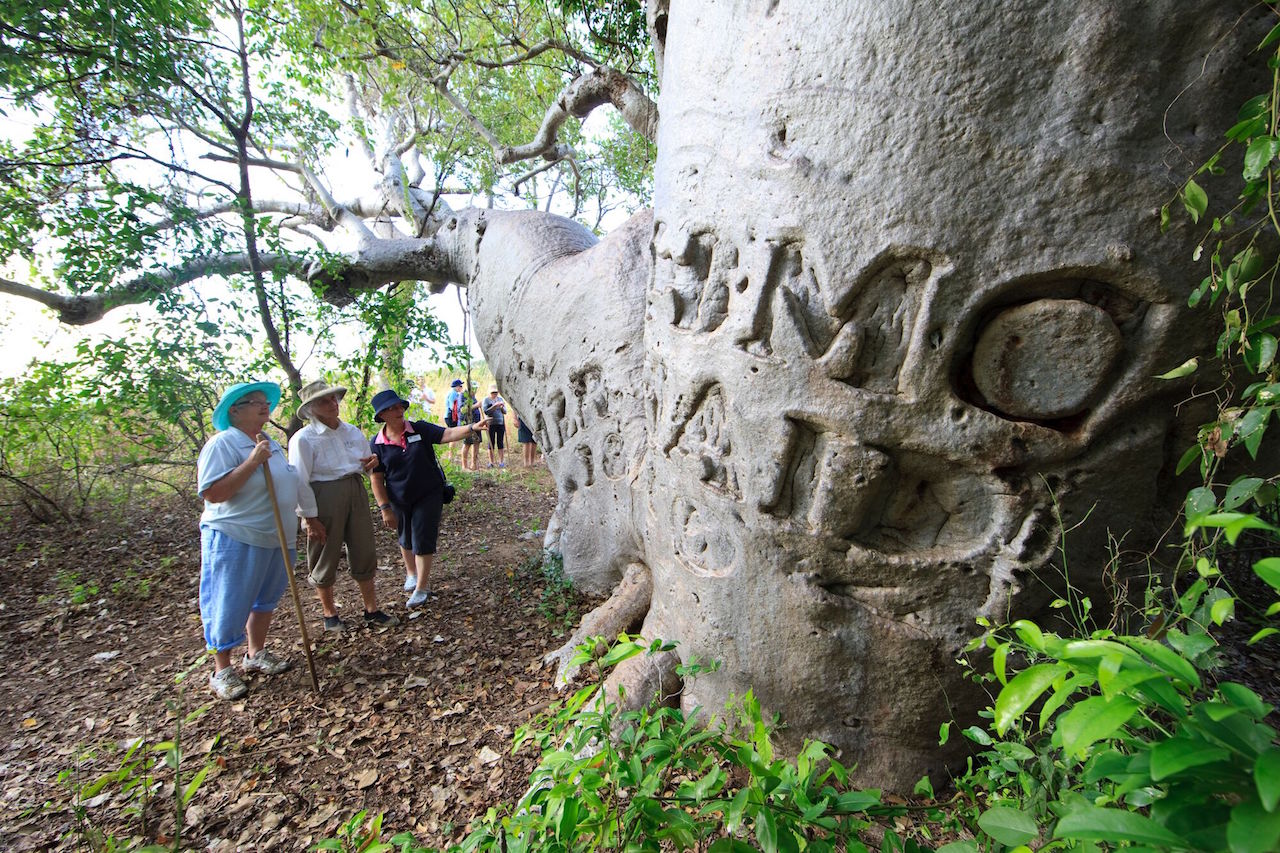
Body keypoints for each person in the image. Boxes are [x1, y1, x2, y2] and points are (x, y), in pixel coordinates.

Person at [197, 382, 297, 701]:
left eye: (266, 401)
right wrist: (253, 461)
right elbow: (214, 493)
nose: (264, 405)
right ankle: (222, 669)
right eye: (255, 401)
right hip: (235, 535)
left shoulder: (270, 441)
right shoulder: (223, 444)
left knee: (265, 599)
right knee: (229, 600)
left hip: (276, 534)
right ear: (234, 411)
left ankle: (256, 653)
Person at [288, 380, 400, 632]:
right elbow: (299, 479)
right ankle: (330, 614)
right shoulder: (304, 439)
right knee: (324, 552)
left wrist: (370, 463)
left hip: (354, 489)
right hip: (323, 494)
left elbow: (363, 463)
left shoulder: (351, 431)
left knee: (363, 547)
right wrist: (309, 517)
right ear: (311, 408)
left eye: (333, 399)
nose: (332, 404)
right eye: (324, 401)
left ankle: (371, 609)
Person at [368, 389, 489, 608]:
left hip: (428, 493)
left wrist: (472, 427)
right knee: (405, 536)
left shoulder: (419, 428)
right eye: (392, 408)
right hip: (399, 497)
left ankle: (421, 588)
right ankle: (411, 574)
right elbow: (376, 479)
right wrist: (385, 508)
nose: (399, 410)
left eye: (400, 406)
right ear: (382, 415)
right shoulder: (376, 443)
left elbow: (447, 434)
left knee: (422, 536)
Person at [481, 386, 507, 468]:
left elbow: (505, 412)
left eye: (496, 392)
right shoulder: (486, 400)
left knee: (500, 442)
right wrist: (494, 406)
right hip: (490, 423)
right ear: (489, 393)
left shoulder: (500, 399)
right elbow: (486, 411)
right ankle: (491, 462)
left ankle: (501, 462)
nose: (495, 394)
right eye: (493, 392)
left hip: (500, 423)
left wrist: (502, 407)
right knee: (491, 442)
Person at [443, 379, 465, 466]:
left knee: (454, 437)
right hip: (450, 416)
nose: (461, 387)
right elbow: (453, 407)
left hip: (450, 416)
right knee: (453, 437)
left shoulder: (453, 393)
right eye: (460, 386)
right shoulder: (453, 394)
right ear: (456, 386)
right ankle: (451, 456)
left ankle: (451, 455)